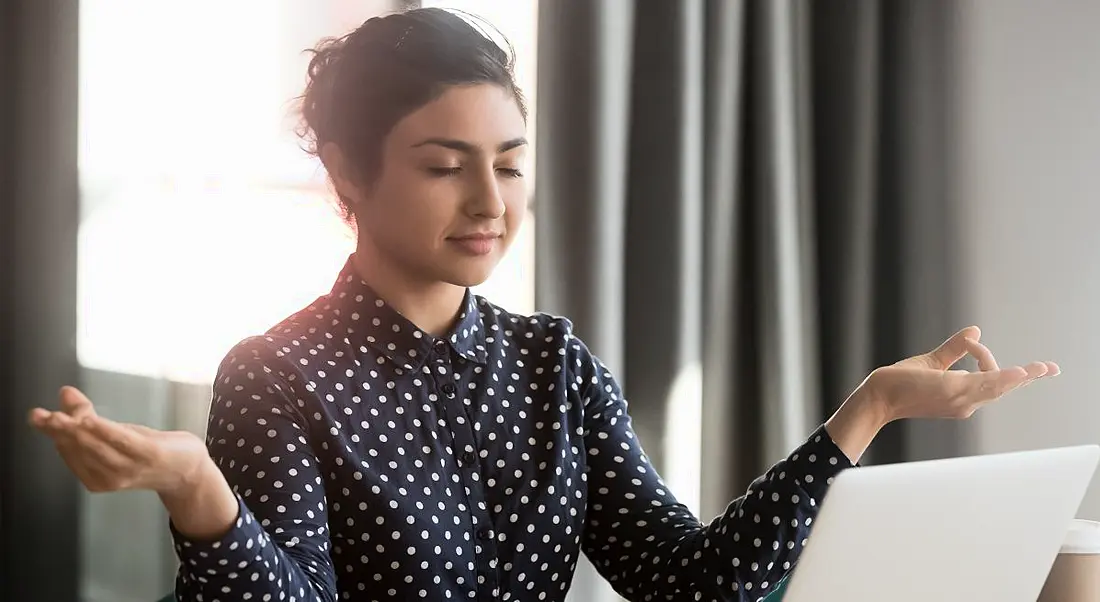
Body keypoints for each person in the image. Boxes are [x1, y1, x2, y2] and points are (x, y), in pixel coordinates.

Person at [29, 7, 1059, 602]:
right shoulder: (278, 373)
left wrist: (862, 412)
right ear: (347, 172)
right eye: (444, 166)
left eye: (511, 165)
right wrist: (201, 494)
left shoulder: (549, 361)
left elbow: (692, 586)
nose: (490, 202)